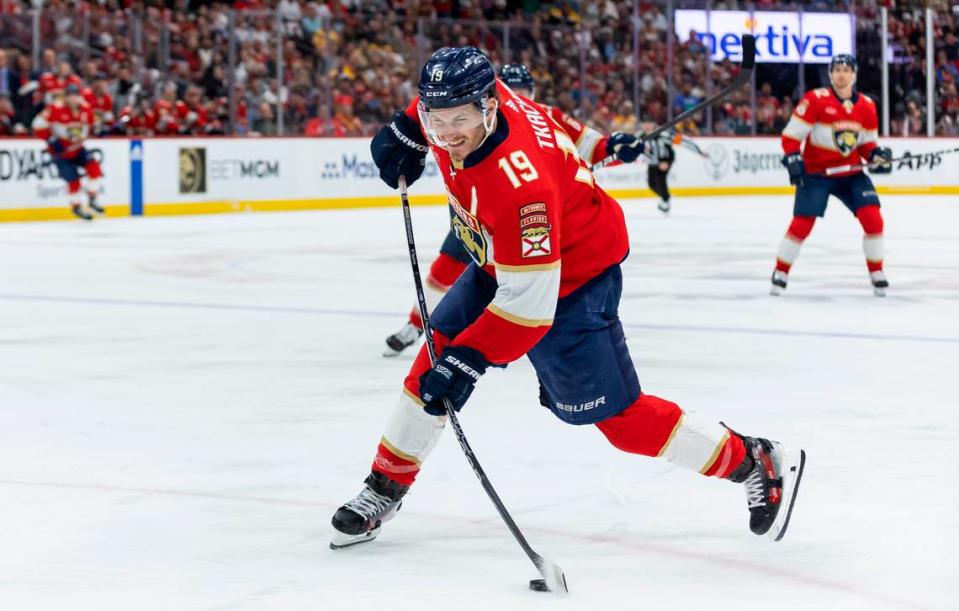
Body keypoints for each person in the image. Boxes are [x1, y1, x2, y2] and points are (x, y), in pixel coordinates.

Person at [331, 47, 805, 550]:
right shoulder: (480, 98)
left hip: (572, 279)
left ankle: (752, 459)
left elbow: (529, 309)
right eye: (435, 119)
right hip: (501, 260)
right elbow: (522, 117)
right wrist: (405, 130)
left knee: (619, 420)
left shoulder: (522, 189)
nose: (446, 134)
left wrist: (468, 361)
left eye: (459, 121)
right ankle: (386, 486)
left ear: (489, 108)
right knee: (428, 367)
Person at [382, 62, 644, 356]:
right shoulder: (477, 115)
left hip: (524, 215)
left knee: (529, 283)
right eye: (514, 90)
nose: (521, 95)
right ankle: (416, 325)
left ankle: (515, 335)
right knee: (446, 268)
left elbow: (592, 146)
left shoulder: (545, 115)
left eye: (525, 91)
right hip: (475, 215)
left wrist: (617, 147)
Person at [773, 54, 892, 297]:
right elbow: (791, 137)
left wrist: (876, 155)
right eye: (837, 69)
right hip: (817, 173)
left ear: (854, 75)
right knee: (802, 224)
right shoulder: (815, 100)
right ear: (830, 74)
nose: (841, 74)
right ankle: (781, 270)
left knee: (873, 219)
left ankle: (876, 271)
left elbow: (866, 146)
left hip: (851, 173)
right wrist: (794, 158)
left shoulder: (867, 106)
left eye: (846, 69)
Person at [31, 83, 104, 221]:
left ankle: (92, 198)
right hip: (61, 153)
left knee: (94, 168)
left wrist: (99, 129)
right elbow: (37, 125)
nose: (74, 99)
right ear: (65, 97)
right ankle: (76, 207)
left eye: (76, 95)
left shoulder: (86, 108)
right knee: (73, 180)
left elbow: (92, 124)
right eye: (70, 96)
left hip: (78, 148)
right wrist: (51, 139)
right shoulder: (55, 108)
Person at [638, 121, 708, 215]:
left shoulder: (664, 135)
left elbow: (683, 141)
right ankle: (665, 197)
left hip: (666, 158)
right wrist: (656, 162)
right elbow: (638, 151)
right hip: (653, 160)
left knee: (660, 178)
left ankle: (666, 200)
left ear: (654, 124)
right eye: (644, 123)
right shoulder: (640, 137)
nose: (647, 126)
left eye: (649, 123)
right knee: (651, 184)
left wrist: (699, 151)